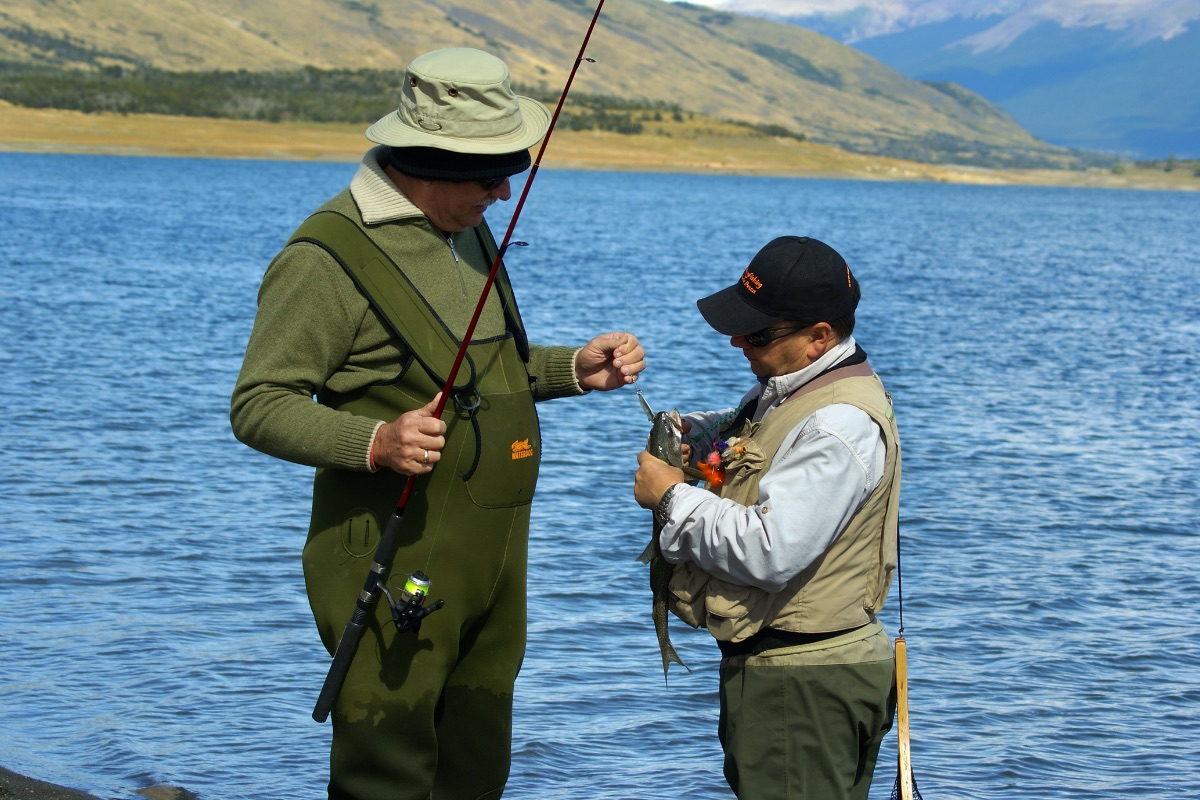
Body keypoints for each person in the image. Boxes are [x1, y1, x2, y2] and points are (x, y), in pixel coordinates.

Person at [231, 47, 645, 800]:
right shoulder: (324, 257)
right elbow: (258, 405)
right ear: (427, 160)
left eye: (509, 167)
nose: (503, 187)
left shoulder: (469, 226)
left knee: (476, 765)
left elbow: (482, 378)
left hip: (494, 561)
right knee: (386, 771)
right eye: (489, 172)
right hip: (393, 560)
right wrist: (374, 442)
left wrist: (572, 370)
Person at [633, 236, 901, 800]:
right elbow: (762, 434)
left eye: (756, 333)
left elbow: (772, 551)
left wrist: (671, 498)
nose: (736, 341)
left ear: (818, 337)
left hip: (803, 683)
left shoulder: (838, 426)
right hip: (795, 676)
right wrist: (693, 435)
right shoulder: (793, 389)